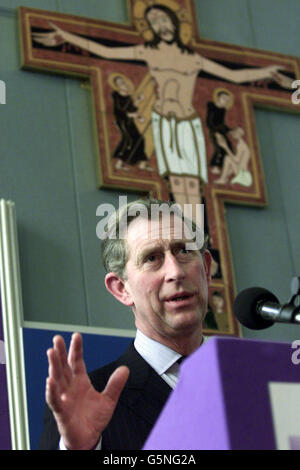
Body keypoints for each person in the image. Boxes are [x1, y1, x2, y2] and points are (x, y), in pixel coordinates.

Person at [32, 3, 292, 206]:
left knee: (194, 186)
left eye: (164, 19)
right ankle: (189, 245)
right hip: (165, 122)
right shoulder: (149, 52)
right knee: (177, 185)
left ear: (175, 23)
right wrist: (66, 36)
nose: (160, 25)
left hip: (188, 123)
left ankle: (198, 245)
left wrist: (267, 72)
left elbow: (234, 75)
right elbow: (106, 51)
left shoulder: (194, 59)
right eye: (154, 22)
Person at [39, 198, 212, 450]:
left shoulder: (251, 377)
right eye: (152, 258)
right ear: (122, 289)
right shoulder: (89, 401)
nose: (176, 272)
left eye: (184, 251)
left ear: (206, 269)